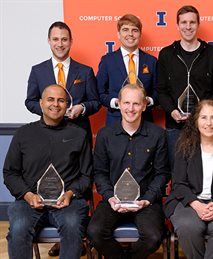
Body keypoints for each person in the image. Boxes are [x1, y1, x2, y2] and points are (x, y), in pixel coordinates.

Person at [4, 84, 92, 259]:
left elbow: (86, 175)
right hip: (29, 202)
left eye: (61, 100)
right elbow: (10, 173)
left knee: (73, 226)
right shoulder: (23, 133)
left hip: (68, 202)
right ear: (41, 103)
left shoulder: (79, 134)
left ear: (67, 105)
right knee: (19, 228)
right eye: (50, 99)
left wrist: (70, 193)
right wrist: (28, 195)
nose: (56, 104)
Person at [87, 84, 170, 259]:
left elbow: (162, 173)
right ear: (118, 104)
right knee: (94, 232)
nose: (130, 109)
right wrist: (110, 197)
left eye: (136, 104)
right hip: (113, 200)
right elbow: (99, 172)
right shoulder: (105, 135)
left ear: (144, 105)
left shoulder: (158, 135)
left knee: (154, 236)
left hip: (146, 202)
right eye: (126, 103)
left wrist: (147, 200)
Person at [164, 100, 213, 259]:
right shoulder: (184, 146)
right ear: (195, 121)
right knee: (188, 226)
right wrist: (196, 204)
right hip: (188, 200)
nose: (209, 123)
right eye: (203, 117)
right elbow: (179, 184)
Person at [157, 5, 213, 166]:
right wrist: (172, 111)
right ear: (177, 25)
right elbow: (161, 90)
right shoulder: (166, 54)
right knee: (177, 172)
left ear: (198, 24)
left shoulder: (212, 53)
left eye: (192, 22)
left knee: (205, 171)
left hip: (205, 126)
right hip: (175, 126)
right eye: (184, 22)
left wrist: (202, 115)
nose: (188, 27)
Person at [25, 21, 100, 143]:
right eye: (55, 39)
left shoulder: (85, 71)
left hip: (79, 133)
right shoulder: (37, 71)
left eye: (64, 39)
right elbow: (30, 101)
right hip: (47, 133)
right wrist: (49, 111)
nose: (60, 44)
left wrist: (82, 108)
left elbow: (95, 102)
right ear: (49, 41)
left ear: (71, 41)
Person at [97, 14, 157, 125]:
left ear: (140, 35)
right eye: (125, 30)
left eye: (135, 30)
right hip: (115, 122)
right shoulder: (107, 61)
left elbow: (158, 91)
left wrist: (148, 101)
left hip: (145, 122)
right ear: (118, 34)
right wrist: (116, 102)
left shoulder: (151, 61)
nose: (130, 34)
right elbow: (99, 93)